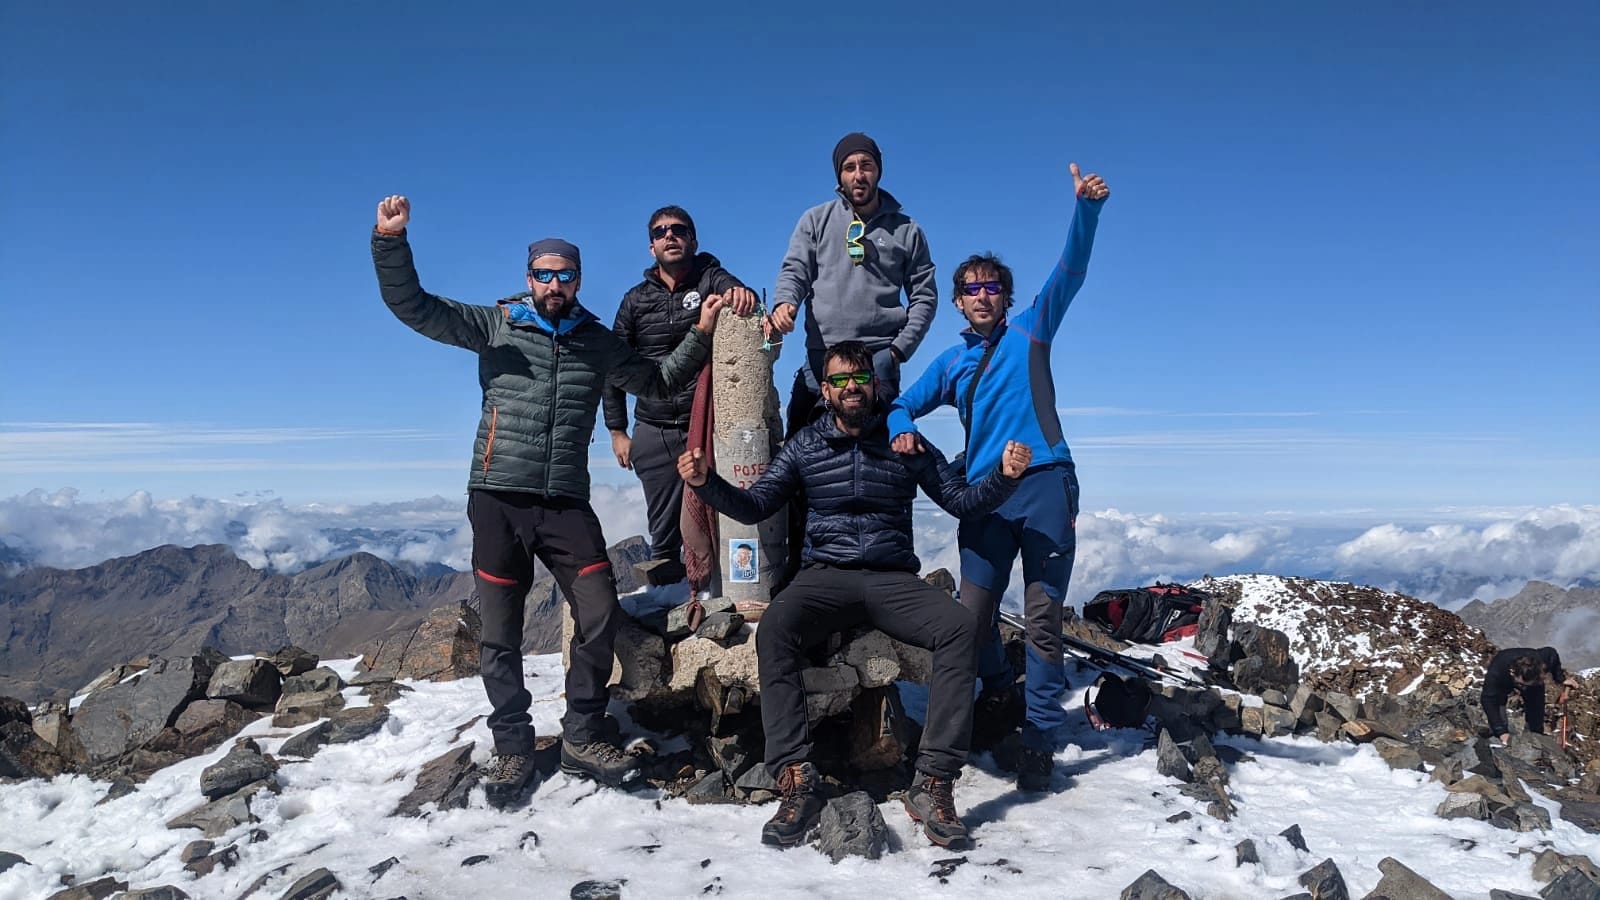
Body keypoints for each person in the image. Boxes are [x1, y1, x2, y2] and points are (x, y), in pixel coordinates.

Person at [370, 194, 729, 808]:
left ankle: (583, 734)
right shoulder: (497, 324)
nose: (554, 284)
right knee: (501, 633)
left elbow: (658, 381)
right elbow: (415, 308)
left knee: (598, 609)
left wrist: (699, 335)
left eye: (565, 275)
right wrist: (390, 241)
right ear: (529, 276)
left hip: (565, 500)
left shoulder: (595, 341)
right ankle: (512, 745)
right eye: (544, 273)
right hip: (497, 498)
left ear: (579, 280)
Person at [678, 340, 1032, 850]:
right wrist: (708, 483)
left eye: (859, 379)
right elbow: (756, 505)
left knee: (960, 628)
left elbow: (962, 502)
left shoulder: (904, 439)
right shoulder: (805, 445)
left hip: (892, 578)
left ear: (874, 385)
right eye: (839, 380)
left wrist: (1004, 477)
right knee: (777, 628)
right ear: (825, 390)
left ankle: (934, 782)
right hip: (826, 576)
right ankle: (795, 778)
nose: (850, 389)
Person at [887, 162, 1111, 791]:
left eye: (991, 287)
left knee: (1042, 617)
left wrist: (1085, 210)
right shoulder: (953, 361)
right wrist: (902, 427)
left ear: (1005, 297)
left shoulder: (1032, 330)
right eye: (970, 288)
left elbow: (1071, 271)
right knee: (971, 615)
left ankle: (1039, 732)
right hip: (987, 496)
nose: (982, 295)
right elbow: (904, 401)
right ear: (957, 300)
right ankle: (993, 693)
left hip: (1044, 484)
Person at [602, 206, 759, 585]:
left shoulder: (709, 278)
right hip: (652, 428)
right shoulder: (635, 301)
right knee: (663, 535)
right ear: (651, 246)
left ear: (693, 240)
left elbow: (739, 291)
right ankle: (668, 606)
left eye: (679, 230)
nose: (669, 236)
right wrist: (617, 431)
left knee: (716, 516)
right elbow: (612, 367)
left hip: (702, 424)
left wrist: (740, 293)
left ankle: (721, 596)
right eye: (661, 232)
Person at [768, 132, 938, 434]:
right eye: (849, 167)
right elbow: (795, 270)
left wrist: (898, 351)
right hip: (821, 358)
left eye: (866, 165)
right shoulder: (815, 220)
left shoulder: (907, 230)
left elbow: (924, 296)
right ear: (839, 174)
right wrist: (784, 302)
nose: (858, 175)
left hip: (878, 360)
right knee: (801, 454)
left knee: (880, 461)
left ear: (878, 171)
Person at [1482, 646, 1579, 743]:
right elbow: (1488, 700)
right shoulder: (1497, 671)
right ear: (1512, 672)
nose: (1524, 688)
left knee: (1536, 717)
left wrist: (1561, 678)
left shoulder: (1542, 660)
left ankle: (1533, 740)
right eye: (1522, 684)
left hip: (1535, 685)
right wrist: (1501, 731)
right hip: (1503, 682)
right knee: (1498, 719)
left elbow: (1551, 652)